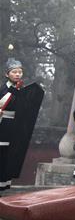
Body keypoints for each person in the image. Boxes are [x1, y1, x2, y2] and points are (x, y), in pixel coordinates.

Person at [0, 59, 43, 192]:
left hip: (14, 127)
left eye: (20, 72)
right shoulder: (2, 89)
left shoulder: (24, 92)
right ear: (7, 74)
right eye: (14, 72)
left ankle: (3, 185)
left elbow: (27, 110)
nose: (18, 74)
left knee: (8, 156)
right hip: (2, 124)